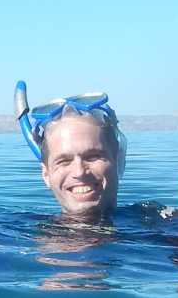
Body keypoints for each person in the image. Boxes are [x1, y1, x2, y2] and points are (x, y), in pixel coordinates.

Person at [16, 89, 124, 223]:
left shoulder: (153, 223)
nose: (79, 172)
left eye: (92, 157)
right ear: (46, 175)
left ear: (118, 160)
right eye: (64, 161)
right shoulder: (6, 235)